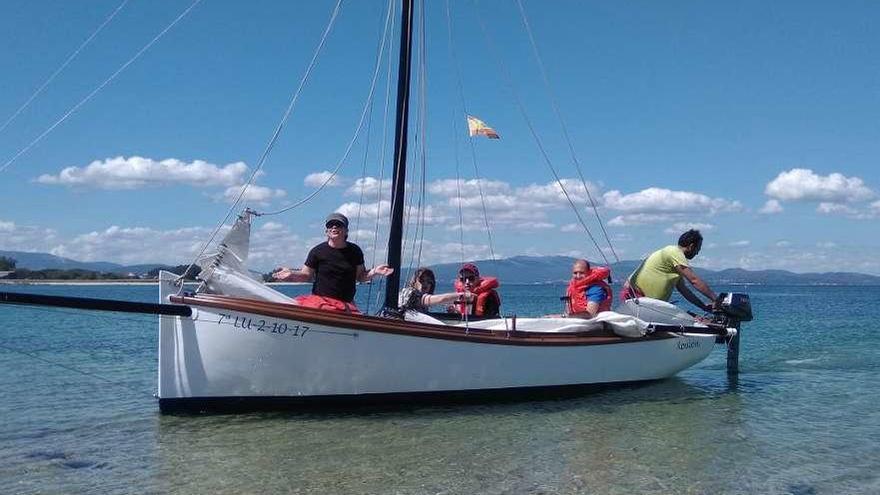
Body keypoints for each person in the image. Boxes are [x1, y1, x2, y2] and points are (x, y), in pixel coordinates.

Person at [272, 212, 393, 313]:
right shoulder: (317, 251)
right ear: (326, 231)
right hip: (321, 303)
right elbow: (306, 275)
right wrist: (291, 274)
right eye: (331, 225)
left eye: (338, 225)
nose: (334, 227)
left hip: (345, 305)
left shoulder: (355, 251)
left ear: (346, 231)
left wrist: (374, 272)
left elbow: (360, 277)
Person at [622, 229, 718, 311]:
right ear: (691, 246)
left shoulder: (673, 260)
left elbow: (684, 290)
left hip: (641, 301)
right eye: (698, 249)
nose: (697, 253)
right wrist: (716, 300)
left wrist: (703, 307)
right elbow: (694, 280)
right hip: (636, 297)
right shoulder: (674, 252)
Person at [398, 267, 474, 312]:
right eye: (421, 280)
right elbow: (435, 299)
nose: (425, 284)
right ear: (414, 281)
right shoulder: (409, 293)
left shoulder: (424, 303)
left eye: (429, 282)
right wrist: (461, 295)